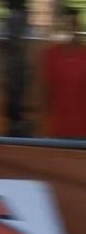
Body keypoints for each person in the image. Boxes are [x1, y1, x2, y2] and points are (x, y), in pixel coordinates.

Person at [41, 9, 86, 138]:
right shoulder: (50, 55)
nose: (70, 30)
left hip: (82, 131)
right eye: (66, 25)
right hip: (57, 130)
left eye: (73, 25)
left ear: (78, 28)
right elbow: (45, 93)